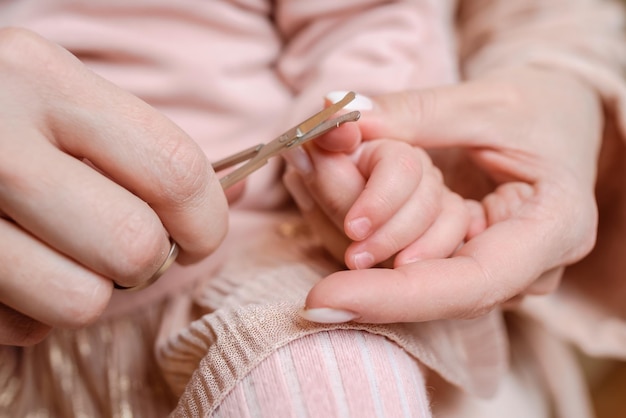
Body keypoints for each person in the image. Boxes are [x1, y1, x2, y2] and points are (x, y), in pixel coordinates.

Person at [1, 1, 625, 418]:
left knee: (327, 361)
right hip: (20, 326)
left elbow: (367, 24)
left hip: (255, 274)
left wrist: (374, 161)